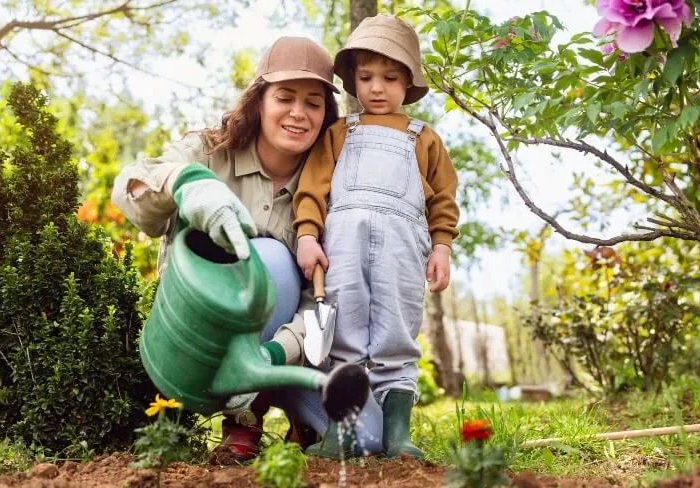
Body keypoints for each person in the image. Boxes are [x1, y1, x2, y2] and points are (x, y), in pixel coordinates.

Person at [112, 36, 343, 460]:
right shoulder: (208, 151)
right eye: (285, 97)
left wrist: (271, 356)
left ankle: (284, 416)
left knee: (358, 437)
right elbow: (128, 189)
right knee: (269, 258)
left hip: (275, 358)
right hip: (191, 336)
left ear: (326, 114)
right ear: (258, 101)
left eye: (313, 102)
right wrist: (185, 185)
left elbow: (320, 303)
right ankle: (242, 427)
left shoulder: (329, 191)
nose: (298, 113)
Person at [293, 14, 460, 459]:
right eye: (366, 77)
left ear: (409, 82)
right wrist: (308, 234)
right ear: (352, 81)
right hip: (342, 246)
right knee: (343, 333)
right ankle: (340, 433)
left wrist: (441, 245)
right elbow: (312, 190)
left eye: (390, 77)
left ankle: (397, 435)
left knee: (396, 335)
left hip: (404, 250)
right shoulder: (337, 133)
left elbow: (442, 200)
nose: (377, 88)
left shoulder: (425, 140)